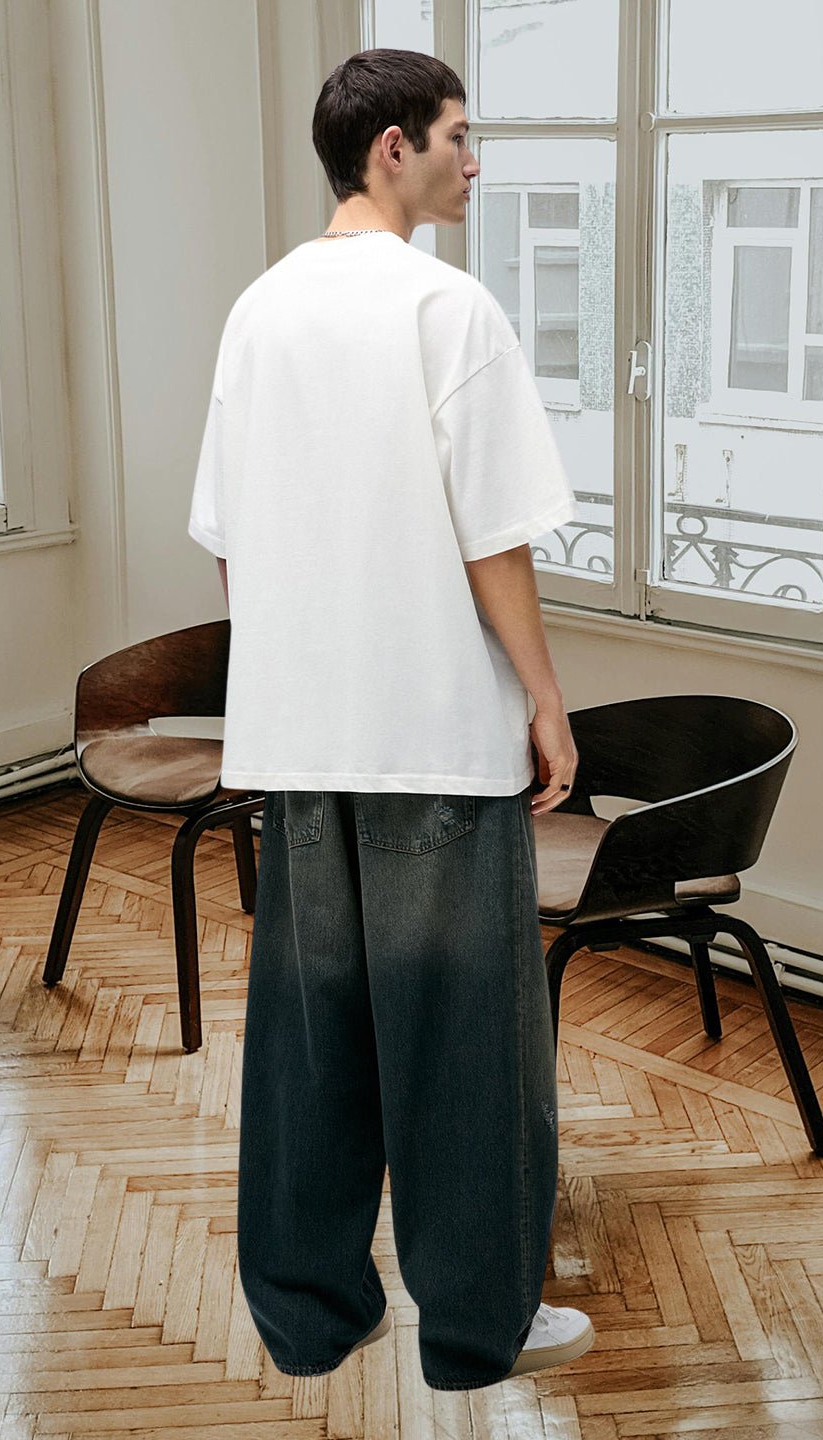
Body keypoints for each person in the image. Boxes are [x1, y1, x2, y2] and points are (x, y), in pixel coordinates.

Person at [188, 47, 595, 1392]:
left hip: (302, 743)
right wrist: (546, 699)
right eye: (460, 137)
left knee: (310, 1042)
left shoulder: (259, 311)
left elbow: (233, 543)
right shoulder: (447, 307)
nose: (475, 162)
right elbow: (494, 539)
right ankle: (478, 1325)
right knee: (467, 1042)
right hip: (433, 738)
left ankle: (312, 1312)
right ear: (392, 150)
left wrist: (288, 686)